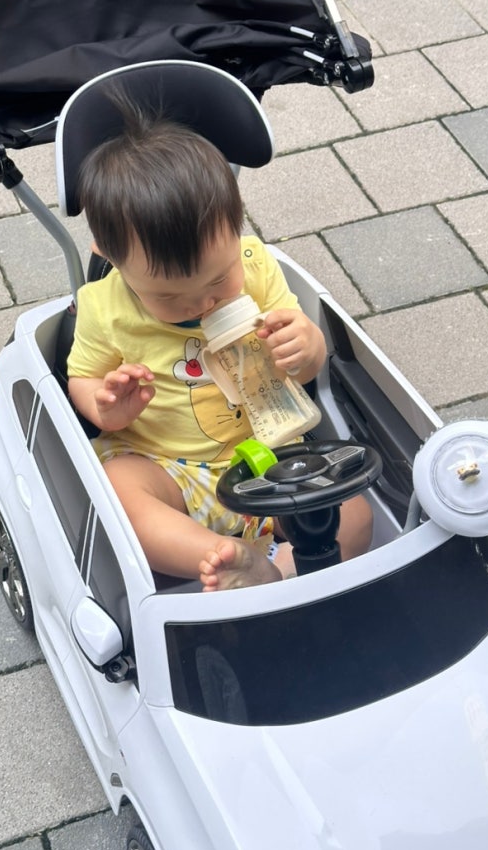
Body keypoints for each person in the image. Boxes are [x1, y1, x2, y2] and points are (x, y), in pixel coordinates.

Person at [67, 104, 372, 590]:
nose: (203, 303)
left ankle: (279, 575)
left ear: (238, 225)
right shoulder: (105, 308)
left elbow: (304, 371)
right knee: (118, 492)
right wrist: (106, 407)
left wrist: (306, 346)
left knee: (354, 516)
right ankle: (222, 556)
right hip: (167, 464)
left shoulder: (257, 268)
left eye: (219, 279)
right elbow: (82, 377)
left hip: (271, 452)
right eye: (169, 297)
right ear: (111, 259)